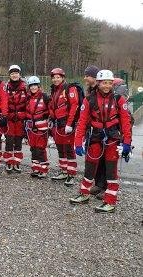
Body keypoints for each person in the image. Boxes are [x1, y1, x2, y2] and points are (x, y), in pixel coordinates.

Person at [69, 70, 132, 213]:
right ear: (98, 83)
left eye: (110, 83)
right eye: (104, 83)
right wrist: (78, 143)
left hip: (112, 140)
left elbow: (125, 122)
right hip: (95, 138)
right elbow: (82, 122)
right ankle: (84, 194)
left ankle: (110, 201)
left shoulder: (118, 100)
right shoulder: (89, 99)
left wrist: (127, 142)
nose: (107, 86)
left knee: (111, 171)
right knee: (90, 168)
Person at [49, 67, 79, 186]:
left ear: (63, 78)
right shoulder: (54, 90)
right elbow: (52, 106)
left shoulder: (69, 88)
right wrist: (51, 119)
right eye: (54, 78)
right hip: (57, 124)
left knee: (69, 149)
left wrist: (70, 123)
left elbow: (74, 106)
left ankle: (71, 174)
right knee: (60, 148)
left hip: (66, 123)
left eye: (58, 77)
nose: (56, 79)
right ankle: (63, 170)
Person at [83, 65, 107, 199]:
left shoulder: (103, 91)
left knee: (105, 161)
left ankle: (106, 188)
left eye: (87, 75)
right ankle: (98, 184)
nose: (85, 78)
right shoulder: (90, 91)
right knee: (95, 158)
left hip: (104, 132)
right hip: (92, 132)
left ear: (94, 77)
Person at [3, 65, 28, 173]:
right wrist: (4, 116)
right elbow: (3, 102)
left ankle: (17, 163)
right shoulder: (6, 87)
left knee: (18, 141)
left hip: (21, 119)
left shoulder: (25, 87)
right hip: (10, 118)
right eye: (12, 73)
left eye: (16, 73)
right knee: (9, 141)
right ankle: (9, 162)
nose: (14, 75)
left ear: (19, 74)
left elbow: (29, 102)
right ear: (9, 75)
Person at [25, 76, 50, 178]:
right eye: (31, 86)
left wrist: (46, 115)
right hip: (31, 128)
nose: (33, 87)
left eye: (35, 85)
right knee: (33, 148)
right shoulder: (28, 98)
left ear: (38, 86)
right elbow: (26, 112)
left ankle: (43, 168)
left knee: (40, 148)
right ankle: (35, 167)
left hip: (42, 128)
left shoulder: (44, 97)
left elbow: (50, 110)